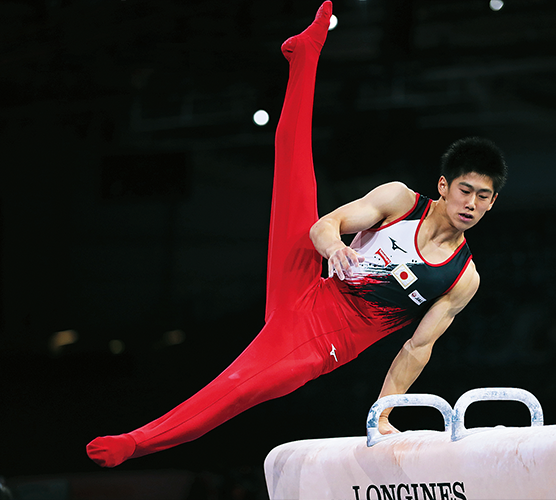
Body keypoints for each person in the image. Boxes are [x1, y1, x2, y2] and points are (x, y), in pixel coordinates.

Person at [86, 0, 507, 468]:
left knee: (237, 389)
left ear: (492, 202)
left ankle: (136, 442)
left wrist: (385, 411)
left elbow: (417, 347)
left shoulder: (461, 279)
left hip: (317, 341)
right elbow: (324, 226)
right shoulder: (398, 200)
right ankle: (304, 56)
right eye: (465, 190)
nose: (472, 203)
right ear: (444, 186)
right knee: (294, 169)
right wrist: (334, 248)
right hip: (309, 277)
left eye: (484, 196)